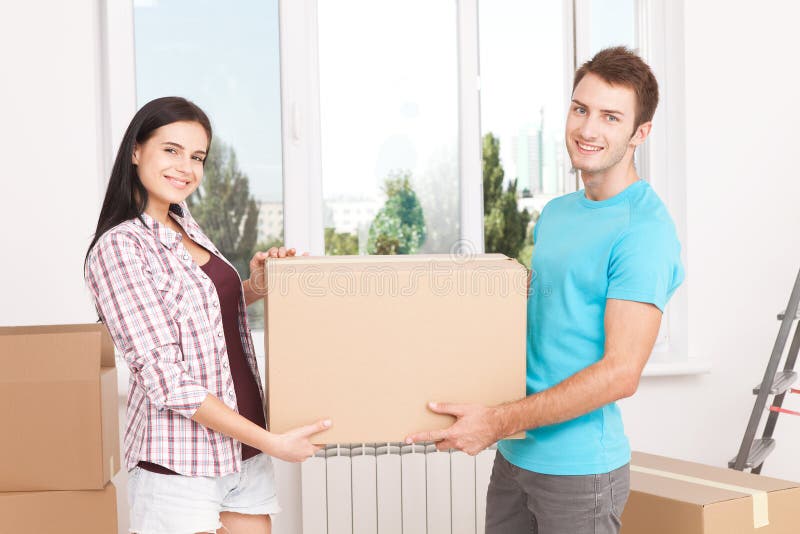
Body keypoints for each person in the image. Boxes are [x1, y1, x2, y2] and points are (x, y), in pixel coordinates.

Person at [407, 47, 684, 534]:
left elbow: (621, 373)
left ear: (640, 133)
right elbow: (544, 326)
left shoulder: (644, 231)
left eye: (610, 117)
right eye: (580, 109)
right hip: (516, 455)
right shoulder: (557, 213)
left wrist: (497, 422)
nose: (587, 129)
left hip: (579, 471)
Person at [84, 96, 330, 534]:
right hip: (181, 463)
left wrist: (254, 285)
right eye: (171, 150)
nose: (186, 167)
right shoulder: (120, 247)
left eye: (197, 157)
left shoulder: (185, 223)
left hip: (241, 456)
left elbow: (203, 315)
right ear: (136, 151)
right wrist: (271, 441)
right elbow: (165, 377)